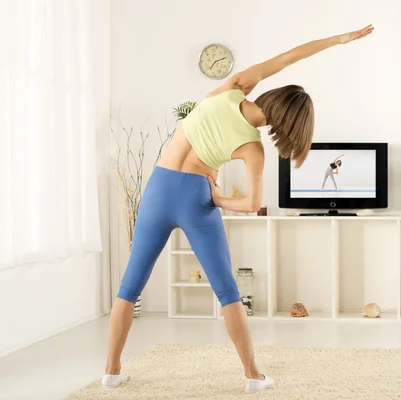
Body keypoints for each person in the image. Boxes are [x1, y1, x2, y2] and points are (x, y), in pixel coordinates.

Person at [101, 24, 374, 394]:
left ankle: (111, 372)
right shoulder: (252, 148)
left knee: (129, 288)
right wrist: (218, 199)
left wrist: (338, 40)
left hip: (158, 187)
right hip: (197, 196)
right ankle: (252, 377)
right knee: (227, 293)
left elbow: (290, 56)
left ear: (274, 94)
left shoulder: (232, 88)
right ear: (290, 125)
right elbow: (253, 204)